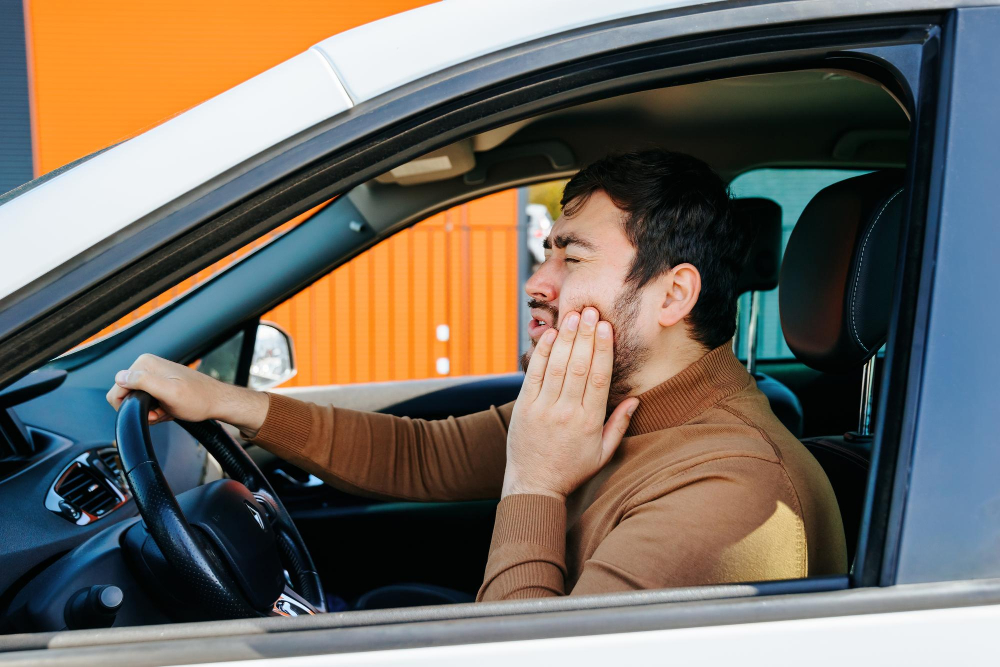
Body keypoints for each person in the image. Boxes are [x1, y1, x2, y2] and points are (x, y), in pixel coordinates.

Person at [108, 150, 847, 603]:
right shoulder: (612, 400)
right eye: (545, 250)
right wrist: (224, 401)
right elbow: (417, 453)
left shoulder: (734, 493)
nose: (537, 280)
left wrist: (533, 482)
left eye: (573, 257)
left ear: (673, 295)